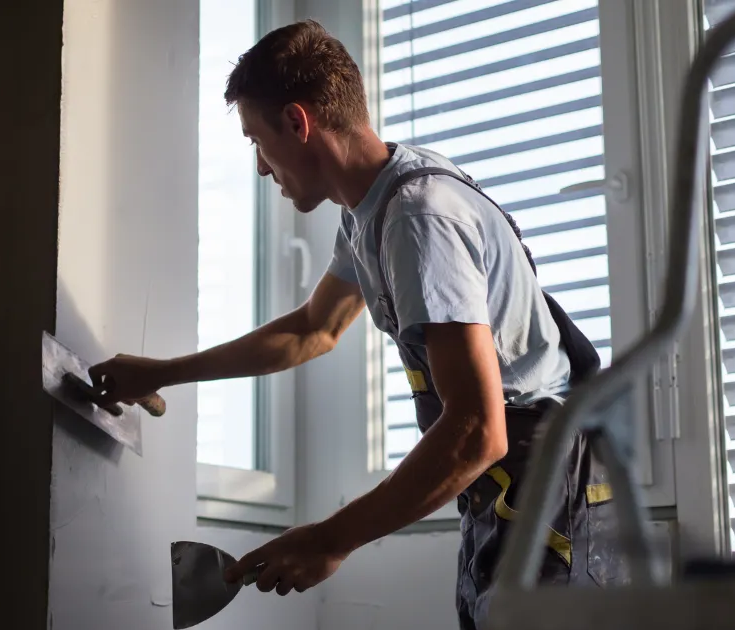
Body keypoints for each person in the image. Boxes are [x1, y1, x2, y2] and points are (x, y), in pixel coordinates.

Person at [88, 19, 623, 629]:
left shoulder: (418, 219)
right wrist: (161, 373)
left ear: (298, 122)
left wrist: (330, 539)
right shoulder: (371, 210)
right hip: (506, 486)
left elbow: (478, 432)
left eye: (257, 142)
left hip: (552, 480)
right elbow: (312, 330)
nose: (262, 169)